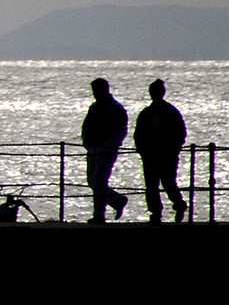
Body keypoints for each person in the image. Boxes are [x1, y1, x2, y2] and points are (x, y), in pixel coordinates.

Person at [132, 78, 188, 223]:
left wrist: (173, 149)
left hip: (166, 154)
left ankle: (177, 204)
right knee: (152, 185)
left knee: (166, 182)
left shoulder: (169, 112)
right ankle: (156, 212)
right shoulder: (148, 113)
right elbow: (139, 135)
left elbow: (180, 134)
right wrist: (142, 150)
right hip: (150, 154)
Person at [80, 78, 128, 222]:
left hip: (107, 149)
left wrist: (109, 144)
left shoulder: (116, 109)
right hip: (93, 148)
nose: (94, 94)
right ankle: (117, 200)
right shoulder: (94, 107)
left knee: (100, 181)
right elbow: (86, 125)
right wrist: (86, 141)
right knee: (92, 181)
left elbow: (120, 130)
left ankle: (99, 215)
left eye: (96, 90)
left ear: (104, 90)